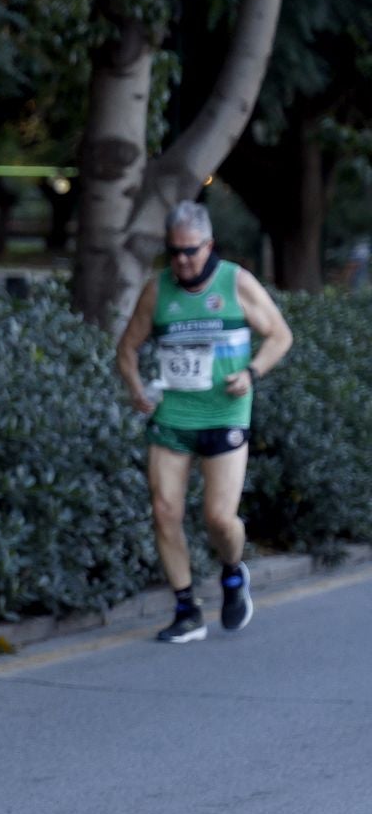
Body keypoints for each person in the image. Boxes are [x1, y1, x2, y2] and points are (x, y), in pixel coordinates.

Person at [115, 201, 293, 642]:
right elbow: (127, 348)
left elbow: (280, 335)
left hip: (226, 413)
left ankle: (233, 572)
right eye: (173, 253)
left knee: (218, 518)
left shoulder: (236, 283)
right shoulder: (158, 291)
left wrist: (251, 373)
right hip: (173, 417)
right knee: (165, 511)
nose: (181, 261)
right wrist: (136, 389)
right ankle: (186, 608)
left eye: (189, 251)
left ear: (208, 245)